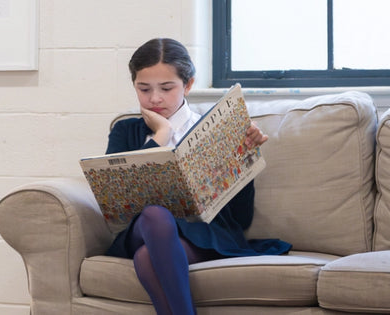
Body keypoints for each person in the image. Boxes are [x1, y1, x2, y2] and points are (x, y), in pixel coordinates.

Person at [104, 38, 292, 315]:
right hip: (143, 230)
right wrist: (161, 136)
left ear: (188, 85)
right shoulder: (124, 131)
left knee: (146, 259)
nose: (155, 98)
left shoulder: (213, 130)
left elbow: (241, 219)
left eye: (167, 88)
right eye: (144, 89)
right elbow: (118, 202)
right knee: (155, 214)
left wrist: (245, 158)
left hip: (202, 235)